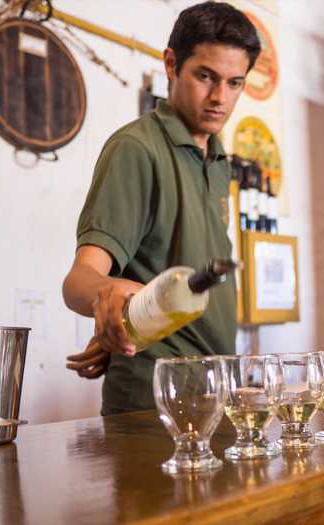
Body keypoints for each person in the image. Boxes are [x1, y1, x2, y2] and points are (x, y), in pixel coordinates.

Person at [62, 2, 260, 415]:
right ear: (171, 64)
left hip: (217, 391)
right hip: (154, 402)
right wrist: (108, 299)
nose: (219, 97)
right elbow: (79, 280)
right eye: (205, 76)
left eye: (234, 83)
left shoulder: (220, 161)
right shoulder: (137, 148)